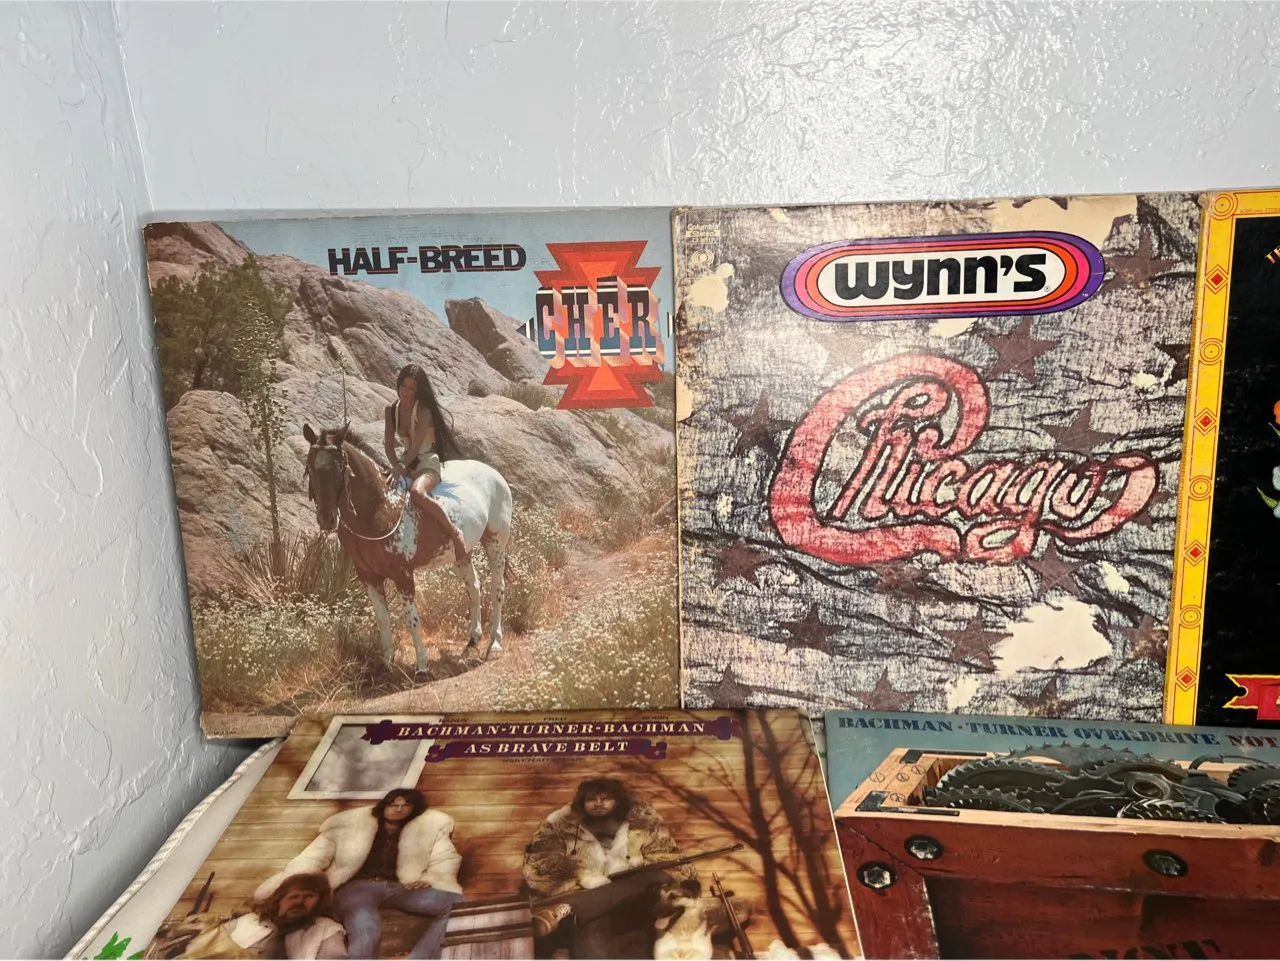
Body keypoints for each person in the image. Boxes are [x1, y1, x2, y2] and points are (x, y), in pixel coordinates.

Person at [255, 789, 464, 960]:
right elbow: (314, 857)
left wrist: (429, 879)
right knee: (365, 922)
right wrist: (294, 882)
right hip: (356, 887)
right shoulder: (349, 826)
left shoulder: (428, 829)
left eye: (405, 805)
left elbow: (444, 859)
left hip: (400, 887)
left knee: (460, 906)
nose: (398, 809)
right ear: (385, 805)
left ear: (414, 809)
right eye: (393, 804)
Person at [523, 778, 696, 959]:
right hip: (589, 911)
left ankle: (566, 908)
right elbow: (540, 865)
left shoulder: (644, 826)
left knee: (657, 876)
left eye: (605, 798)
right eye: (591, 799)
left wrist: (628, 880)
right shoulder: (560, 827)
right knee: (593, 935)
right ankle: (576, 909)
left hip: (636, 902)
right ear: (582, 803)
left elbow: (672, 865)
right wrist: (583, 877)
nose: (598, 803)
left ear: (618, 801)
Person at [384, 363, 469, 566]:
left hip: (427, 463)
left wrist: (400, 468)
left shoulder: (424, 411)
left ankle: (455, 533)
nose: (405, 391)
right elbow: (388, 445)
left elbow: (415, 448)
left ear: (418, 390)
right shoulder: (391, 410)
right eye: (403, 386)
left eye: (411, 388)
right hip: (405, 465)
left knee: (417, 493)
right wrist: (396, 467)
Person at [176, 872, 346, 959]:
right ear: (279, 901)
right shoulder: (247, 922)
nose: (300, 902)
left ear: (319, 903)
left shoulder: (325, 930)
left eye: (309, 896)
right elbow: (200, 952)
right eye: (294, 896)